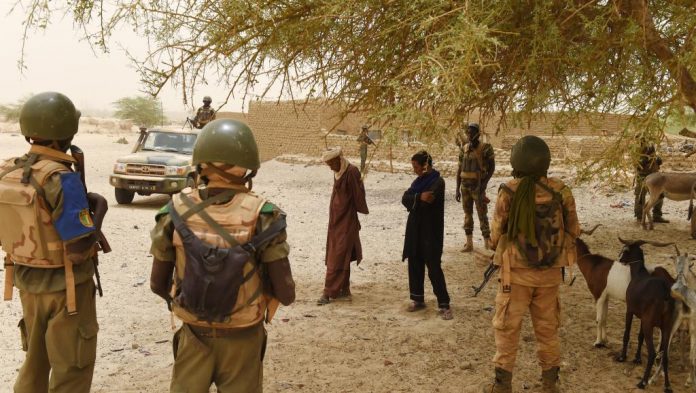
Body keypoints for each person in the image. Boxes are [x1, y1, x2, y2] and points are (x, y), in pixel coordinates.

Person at [149, 119, 295, 392]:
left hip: (193, 334)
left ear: (201, 164)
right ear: (247, 167)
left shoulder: (175, 209)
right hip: (244, 336)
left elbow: (157, 284)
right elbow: (286, 293)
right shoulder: (264, 215)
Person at [0, 92, 108, 393]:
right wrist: (98, 213)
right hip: (67, 290)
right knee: (72, 369)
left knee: (34, 364)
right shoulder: (62, 178)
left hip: (25, 282)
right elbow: (78, 249)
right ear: (67, 132)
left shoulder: (8, 171)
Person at [483, 135, 580, 393]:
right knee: (548, 331)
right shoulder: (561, 191)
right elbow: (574, 231)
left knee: (506, 329)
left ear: (517, 162)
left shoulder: (508, 191)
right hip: (549, 276)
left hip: (514, 277)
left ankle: (501, 386)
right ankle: (550, 384)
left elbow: (495, 238)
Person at [401, 151, 452, 320]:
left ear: (425, 165)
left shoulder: (438, 181)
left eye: (416, 166)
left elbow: (429, 199)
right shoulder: (418, 183)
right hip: (415, 230)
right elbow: (404, 198)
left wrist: (416, 199)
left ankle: (444, 303)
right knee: (414, 263)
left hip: (431, 230)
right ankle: (418, 300)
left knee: (434, 267)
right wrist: (418, 197)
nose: (414, 170)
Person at [317, 147, 369, 305]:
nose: (331, 167)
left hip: (346, 222)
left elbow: (358, 195)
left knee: (337, 256)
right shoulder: (338, 171)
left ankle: (328, 292)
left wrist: (355, 215)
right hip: (335, 221)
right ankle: (343, 289)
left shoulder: (351, 171)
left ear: (338, 159)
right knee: (340, 254)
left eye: (331, 164)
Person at [456, 122, 495, 252]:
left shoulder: (486, 148)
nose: (469, 134)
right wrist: (457, 189)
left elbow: (492, 168)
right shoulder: (464, 148)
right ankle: (469, 243)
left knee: (482, 215)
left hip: (478, 187)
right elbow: (459, 169)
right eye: (468, 132)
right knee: (468, 215)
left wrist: (484, 184)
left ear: (478, 134)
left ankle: (487, 244)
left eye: (472, 132)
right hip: (465, 187)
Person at [634, 137, 668, 223]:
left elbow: (655, 160)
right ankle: (639, 216)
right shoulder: (636, 150)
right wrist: (647, 159)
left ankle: (657, 215)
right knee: (640, 196)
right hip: (642, 176)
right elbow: (637, 164)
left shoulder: (651, 147)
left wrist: (658, 160)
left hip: (654, 176)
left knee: (659, 195)